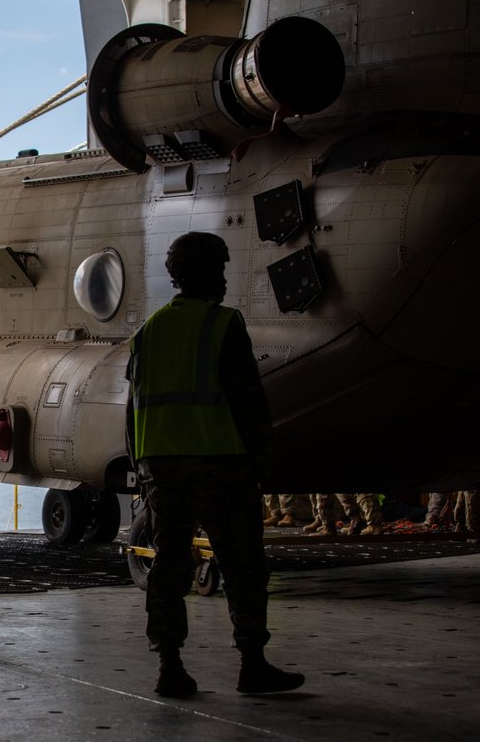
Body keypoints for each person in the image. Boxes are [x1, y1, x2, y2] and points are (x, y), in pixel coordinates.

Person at [125, 232, 304, 698]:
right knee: (243, 564)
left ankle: (170, 666)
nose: (224, 279)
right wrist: (262, 463)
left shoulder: (149, 330)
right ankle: (252, 663)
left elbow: (133, 408)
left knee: (169, 566)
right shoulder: (223, 324)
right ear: (209, 273)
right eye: (220, 270)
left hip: (161, 468)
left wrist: (142, 470)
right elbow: (249, 404)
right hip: (221, 464)